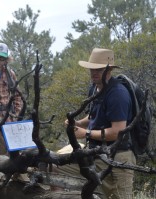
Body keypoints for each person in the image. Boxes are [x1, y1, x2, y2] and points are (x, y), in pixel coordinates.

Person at [54, 48, 136, 199]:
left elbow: (117, 132)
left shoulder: (118, 93)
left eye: (99, 69)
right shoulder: (95, 88)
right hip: (96, 155)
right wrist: (78, 123)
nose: (94, 72)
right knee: (54, 167)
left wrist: (86, 133)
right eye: (92, 68)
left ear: (109, 69)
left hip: (118, 158)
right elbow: (94, 117)